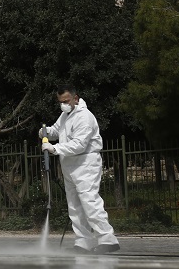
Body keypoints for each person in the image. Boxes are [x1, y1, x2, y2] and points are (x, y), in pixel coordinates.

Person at [41, 86, 120, 255]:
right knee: (75, 206)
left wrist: (54, 148)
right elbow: (56, 129)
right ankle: (83, 241)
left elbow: (79, 145)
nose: (63, 105)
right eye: (60, 102)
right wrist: (45, 132)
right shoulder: (65, 115)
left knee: (89, 201)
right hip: (69, 165)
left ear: (75, 98)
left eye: (66, 101)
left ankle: (107, 239)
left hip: (85, 163)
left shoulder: (85, 117)